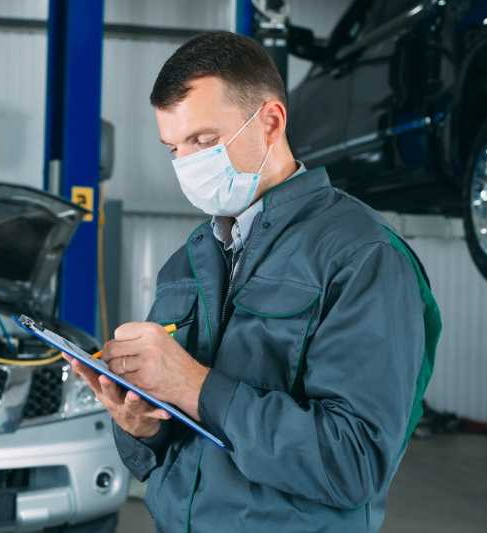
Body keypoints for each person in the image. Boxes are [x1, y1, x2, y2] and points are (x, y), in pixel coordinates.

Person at [66, 31, 441, 532]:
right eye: (174, 148)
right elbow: (166, 452)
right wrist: (139, 427)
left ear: (270, 121)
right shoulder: (189, 260)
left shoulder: (362, 256)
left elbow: (355, 463)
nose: (188, 164)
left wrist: (194, 385)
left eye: (203, 140)